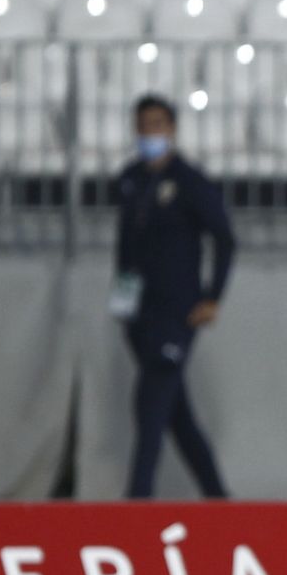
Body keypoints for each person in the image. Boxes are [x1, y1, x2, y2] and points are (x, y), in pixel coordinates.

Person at [112, 93, 235, 500]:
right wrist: (121, 300)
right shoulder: (130, 179)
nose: (151, 133)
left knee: (149, 405)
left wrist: (212, 296)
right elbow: (125, 247)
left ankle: (137, 505)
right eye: (144, 125)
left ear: (172, 129)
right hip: (139, 315)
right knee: (176, 416)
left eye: (158, 125)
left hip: (178, 314)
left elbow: (225, 238)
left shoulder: (190, 181)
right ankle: (221, 503)